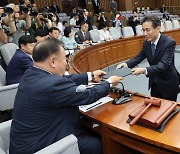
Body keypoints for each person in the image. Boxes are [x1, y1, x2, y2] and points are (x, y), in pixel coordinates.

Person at [9, 39, 122, 154]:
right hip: (39, 147)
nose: (67, 64)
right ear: (53, 61)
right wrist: (109, 83)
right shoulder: (51, 84)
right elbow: (88, 95)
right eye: (64, 59)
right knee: (95, 144)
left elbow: (61, 80)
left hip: (24, 142)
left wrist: (90, 76)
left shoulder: (31, 73)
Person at [117, 15, 180, 101]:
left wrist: (144, 70)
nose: (145, 34)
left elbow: (163, 64)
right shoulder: (146, 42)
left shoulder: (169, 42)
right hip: (154, 83)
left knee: (169, 112)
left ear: (158, 28)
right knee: (154, 109)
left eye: (147, 30)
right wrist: (126, 64)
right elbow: (139, 57)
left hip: (168, 84)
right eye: (143, 30)